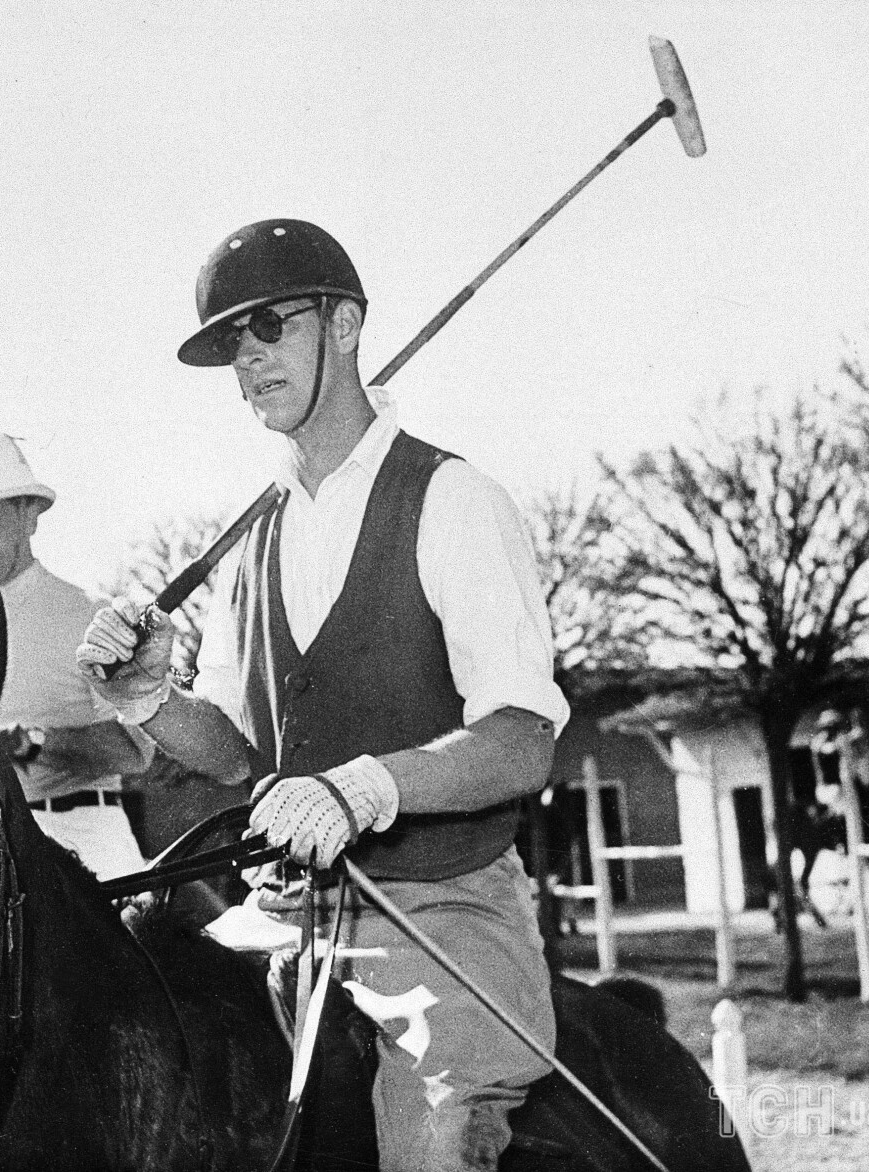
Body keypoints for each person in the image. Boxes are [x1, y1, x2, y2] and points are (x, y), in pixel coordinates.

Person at [77, 219, 569, 1170]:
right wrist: (151, 699)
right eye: (231, 343)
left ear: (344, 323)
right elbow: (233, 749)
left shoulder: (455, 498)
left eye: (270, 325)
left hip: (444, 911)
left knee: (429, 1136)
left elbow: (520, 742)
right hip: (281, 912)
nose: (248, 358)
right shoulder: (253, 538)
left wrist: (366, 787)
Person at [0, 433, 151, 879]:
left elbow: (133, 754)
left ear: (29, 516)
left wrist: (33, 743)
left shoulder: (88, 613)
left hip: (87, 838)